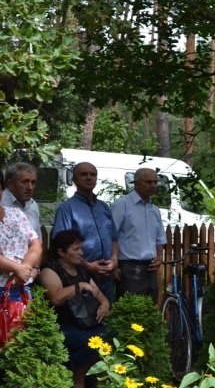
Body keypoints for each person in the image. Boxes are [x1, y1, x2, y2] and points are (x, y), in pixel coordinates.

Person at [39, 230, 109, 388]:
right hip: (61, 326)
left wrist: (105, 304)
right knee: (91, 342)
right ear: (61, 252)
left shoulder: (82, 270)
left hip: (86, 323)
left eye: (81, 248)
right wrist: (79, 285)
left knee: (111, 333)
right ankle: (79, 382)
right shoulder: (50, 270)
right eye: (76, 249)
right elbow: (55, 298)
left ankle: (102, 381)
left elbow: (99, 295)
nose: (81, 253)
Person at [52, 162, 119, 303]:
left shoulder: (104, 207)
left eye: (92, 174)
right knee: (89, 318)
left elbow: (114, 237)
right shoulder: (67, 208)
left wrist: (114, 260)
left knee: (108, 315)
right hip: (82, 276)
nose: (89, 177)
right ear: (74, 180)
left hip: (107, 276)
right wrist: (87, 265)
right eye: (83, 174)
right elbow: (61, 245)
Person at [111, 168, 166, 303]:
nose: (153, 185)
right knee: (130, 310)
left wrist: (159, 257)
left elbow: (160, 239)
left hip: (151, 269)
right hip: (129, 268)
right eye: (148, 182)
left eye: (155, 182)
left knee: (149, 310)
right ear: (136, 184)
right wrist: (114, 265)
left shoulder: (155, 210)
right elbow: (111, 236)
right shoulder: (122, 205)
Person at [0, 205, 42, 294]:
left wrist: (26, 268)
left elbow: (36, 244)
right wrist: (18, 269)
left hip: (22, 286)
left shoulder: (16, 213)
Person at [1, 162, 41, 241]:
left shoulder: (33, 205)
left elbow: (38, 240)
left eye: (33, 182)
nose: (30, 187)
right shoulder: (1, 202)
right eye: (25, 182)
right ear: (10, 184)